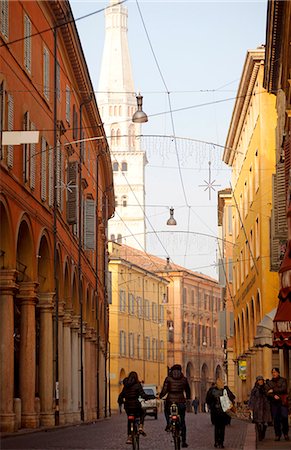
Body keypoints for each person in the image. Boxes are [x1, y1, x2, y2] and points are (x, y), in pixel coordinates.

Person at [160, 364, 191, 448]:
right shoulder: (184, 379)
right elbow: (188, 390)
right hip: (181, 401)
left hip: (170, 401)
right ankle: (183, 441)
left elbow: (165, 390)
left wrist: (160, 396)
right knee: (183, 421)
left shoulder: (168, 379)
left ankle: (168, 424)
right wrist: (188, 398)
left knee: (166, 411)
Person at [118, 371, 151, 445]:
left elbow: (121, 395)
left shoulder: (125, 385)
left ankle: (129, 437)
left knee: (129, 419)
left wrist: (121, 402)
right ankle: (140, 427)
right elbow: (142, 394)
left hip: (127, 406)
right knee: (143, 412)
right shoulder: (137, 384)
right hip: (136, 405)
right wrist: (148, 397)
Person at [205, 378, 235, 449]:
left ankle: (216, 442)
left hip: (215, 412)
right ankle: (221, 443)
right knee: (222, 428)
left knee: (217, 427)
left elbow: (208, 400)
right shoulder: (225, 390)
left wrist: (212, 406)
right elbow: (232, 397)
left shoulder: (212, 390)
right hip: (223, 412)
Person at [266, 367, 289, 441]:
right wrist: (273, 395)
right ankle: (277, 435)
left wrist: (273, 390)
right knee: (276, 420)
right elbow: (267, 393)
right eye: (272, 372)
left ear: (278, 373)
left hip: (282, 402)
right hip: (274, 403)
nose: (274, 373)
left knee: (284, 418)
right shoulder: (269, 382)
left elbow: (284, 389)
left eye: (275, 372)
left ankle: (285, 433)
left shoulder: (283, 380)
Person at [248, 375, 272, 441]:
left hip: (265, 406)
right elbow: (252, 398)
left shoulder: (266, 387)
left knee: (265, 422)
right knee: (258, 422)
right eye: (259, 380)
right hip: (257, 407)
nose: (260, 381)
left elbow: (269, 395)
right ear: (257, 381)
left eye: (261, 380)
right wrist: (250, 407)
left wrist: (268, 393)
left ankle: (263, 432)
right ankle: (260, 435)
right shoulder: (255, 389)